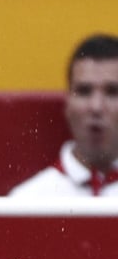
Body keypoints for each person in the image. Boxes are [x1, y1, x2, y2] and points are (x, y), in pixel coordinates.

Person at [9, 34, 118, 199]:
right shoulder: (27, 201)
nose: (96, 107)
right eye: (84, 91)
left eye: (112, 92)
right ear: (67, 104)